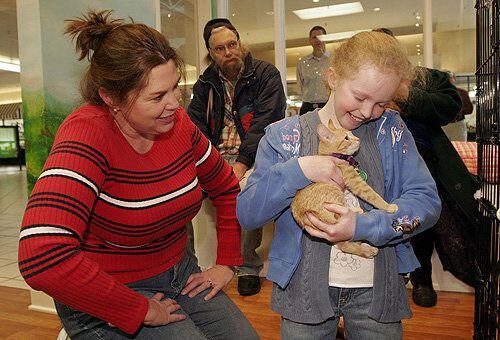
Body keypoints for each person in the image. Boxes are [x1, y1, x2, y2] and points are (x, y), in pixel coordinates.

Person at [17, 10, 258, 339]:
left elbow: (226, 188)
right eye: (158, 96)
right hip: (109, 286)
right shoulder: (88, 133)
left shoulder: (178, 125)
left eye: (175, 88)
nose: (174, 104)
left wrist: (227, 262)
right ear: (111, 98)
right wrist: (138, 309)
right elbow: (42, 254)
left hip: (178, 270)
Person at [237, 31, 441, 339]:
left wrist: (364, 226)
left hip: (377, 290)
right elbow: (248, 213)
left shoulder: (392, 131)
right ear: (332, 78)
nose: (367, 112)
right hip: (303, 291)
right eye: (359, 97)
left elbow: (426, 203)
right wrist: (299, 170)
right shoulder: (283, 136)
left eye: (381, 103)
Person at [374, 28, 479, 308]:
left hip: (424, 160)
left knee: (424, 217)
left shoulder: (427, 77)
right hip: (377, 161)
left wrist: (404, 91)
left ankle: (422, 279)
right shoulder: (363, 81)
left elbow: (449, 105)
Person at [187, 18, 286, 296]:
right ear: (211, 53)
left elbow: (264, 125)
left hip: (256, 156)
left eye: (232, 44)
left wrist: (241, 164)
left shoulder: (266, 75)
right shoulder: (205, 84)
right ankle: (186, 265)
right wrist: (208, 164)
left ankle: (247, 265)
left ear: (240, 43)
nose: (228, 52)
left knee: (244, 191)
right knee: (177, 191)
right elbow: (194, 127)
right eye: (220, 49)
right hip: (214, 159)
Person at [296, 25, 330, 116]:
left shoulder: (333, 60)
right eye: (314, 37)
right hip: (307, 107)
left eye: (320, 37)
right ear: (310, 40)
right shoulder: (302, 62)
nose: (317, 40)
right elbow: (300, 86)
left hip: (327, 106)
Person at [442, 71, 474, 141]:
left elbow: (469, 110)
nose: (448, 80)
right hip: (447, 124)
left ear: (454, 79)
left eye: (449, 77)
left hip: (454, 123)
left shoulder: (462, 92)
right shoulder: (462, 92)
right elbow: (469, 109)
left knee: (458, 145)